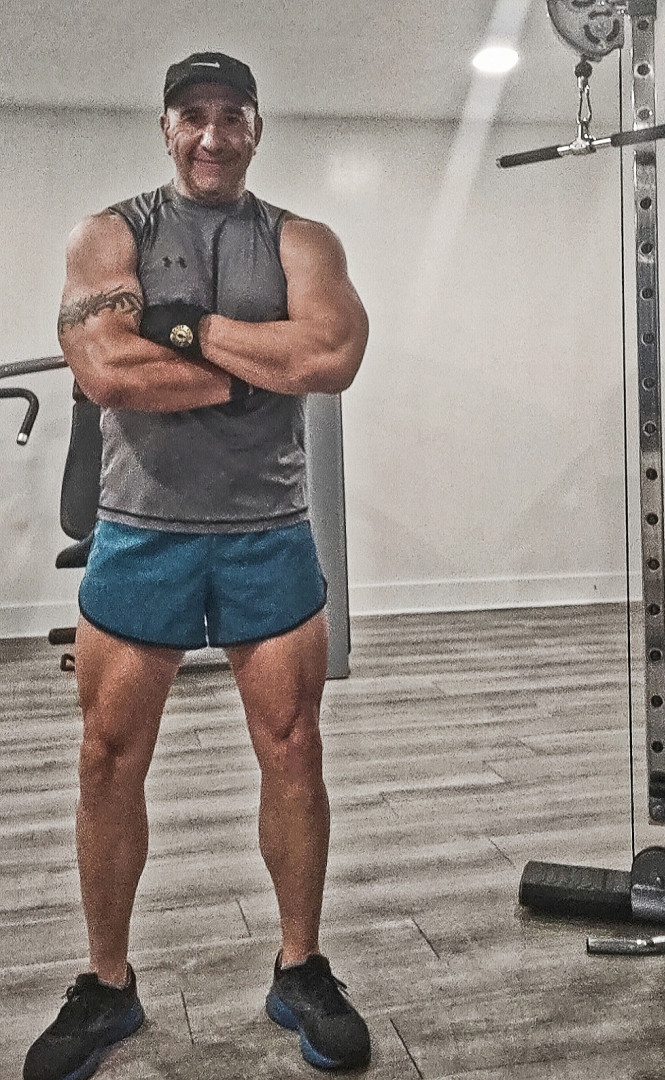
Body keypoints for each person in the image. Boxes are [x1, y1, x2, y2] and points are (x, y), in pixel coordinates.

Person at [23, 51, 370, 1080]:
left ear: (255, 127)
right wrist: (252, 369)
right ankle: (106, 983)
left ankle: (299, 968)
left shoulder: (302, 239)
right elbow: (106, 368)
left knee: (293, 750)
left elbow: (331, 357)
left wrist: (183, 329)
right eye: (192, 116)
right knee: (105, 758)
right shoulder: (110, 234)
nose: (212, 135)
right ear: (166, 128)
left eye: (231, 115)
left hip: (268, 530)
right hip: (142, 530)